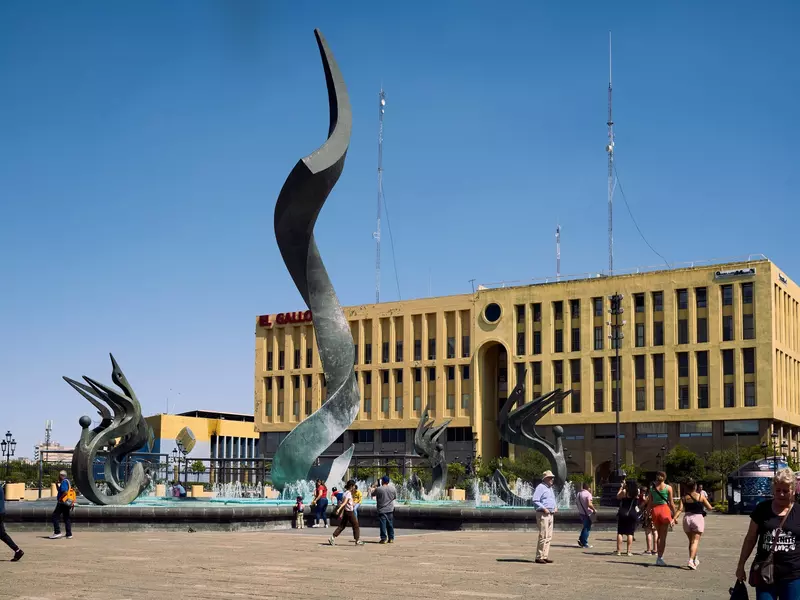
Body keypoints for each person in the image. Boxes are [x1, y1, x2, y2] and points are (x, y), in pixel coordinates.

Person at [736, 467, 800, 599]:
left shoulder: (799, 512)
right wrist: (741, 564)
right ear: (773, 489)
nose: (781, 494)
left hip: (793, 574)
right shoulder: (762, 509)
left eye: (786, 491)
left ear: (793, 490)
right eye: (778, 490)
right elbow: (750, 538)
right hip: (764, 571)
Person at [673, 479, 713, 570]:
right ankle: (691, 560)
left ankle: (694, 559)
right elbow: (710, 507)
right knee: (695, 541)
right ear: (695, 487)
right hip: (697, 519)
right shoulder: (700, 496)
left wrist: (674, 518)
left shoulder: (683, 498)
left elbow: (679, 509)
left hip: (687, 519)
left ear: (686, 487)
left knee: (691, 541)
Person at [644, 471, 675, 566]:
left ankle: (658, 555)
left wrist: (646, 515)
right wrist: (674, 514)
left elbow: (649, 504)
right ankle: (660, 557)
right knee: (663, 536)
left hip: (655, 511)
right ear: (665, 478)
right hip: (665, 510)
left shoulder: (652, 489)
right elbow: (671, 502)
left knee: (658, 534)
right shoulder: (668, 488)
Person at [532, 470, 557, 564]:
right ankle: (539, 556)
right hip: (543, 514)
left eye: (552, 478)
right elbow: (535, 500)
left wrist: (555, 506)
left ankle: (545, 555)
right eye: (550, 478)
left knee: (549, 536)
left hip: (551, 514)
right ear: (545, 479)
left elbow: (552, 499)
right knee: (543, 535)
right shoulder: (541, 487)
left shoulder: (550, 488)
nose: (552, 479)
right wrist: (543, 508)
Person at [328, 480, 364, 546]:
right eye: (353, 486)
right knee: (356, 525)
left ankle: (332, 537)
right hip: (350, 512)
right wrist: (339, 509)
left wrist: (352, 503)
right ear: (351, 486)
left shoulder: (345, 493)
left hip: (346, 512)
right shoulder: (348, 493)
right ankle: (357, 540)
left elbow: (345, 502)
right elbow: (344, 503)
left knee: (342, 526)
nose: (354, 487)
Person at [0, 481, 23, 561]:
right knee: (2, 534)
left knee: (2, 534)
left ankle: (17, 550)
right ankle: (17, 551)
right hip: (1, 512)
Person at [616, 480, 640, 556]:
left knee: (620, 532)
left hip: (623, 512)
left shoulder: (624, 491)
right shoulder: (637, 491)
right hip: (632, 513)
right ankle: (628, 551)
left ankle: (618, 551)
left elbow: (618, 496)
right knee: (630, 533)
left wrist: (621, 487)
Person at [372, 475, 397, 544]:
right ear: (388, 481)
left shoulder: (379, 489)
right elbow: (394, 497)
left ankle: (383, 539)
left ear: (382, 481)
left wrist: (374, 486)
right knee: (390, 524)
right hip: (390, 509)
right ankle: (391, 538)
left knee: (383, 524)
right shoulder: (393, 489)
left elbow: (372, 494)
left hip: (381, 509)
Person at [49, 471, 73, 540]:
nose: (58, 477)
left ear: (61, 476)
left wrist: (60, 498)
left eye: (59, 476)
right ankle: (69, 534)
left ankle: (57, 532)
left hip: (62, 502)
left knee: (54, 516)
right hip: (67, 502)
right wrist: (57, 484)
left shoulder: (64, 482)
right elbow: (60, 490)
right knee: (66, 517)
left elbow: (65, 492)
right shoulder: (67, 481)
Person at [576, 482, 595, 549]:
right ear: (588, 488)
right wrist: (594, 509)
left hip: (581, 513)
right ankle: (585, 543)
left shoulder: (578, 494)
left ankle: (581, 539)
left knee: (585, 526)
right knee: (587, 528)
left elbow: (576, 503)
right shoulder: (588, 494)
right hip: (588, 514)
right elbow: (589, 504)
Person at [641, 484, 659, 556]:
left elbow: (643, 504)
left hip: (649, 514)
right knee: (655, 532)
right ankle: (655, 549)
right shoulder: (658, 496)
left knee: (648, 532)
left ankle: (649, 550)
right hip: (657, 513)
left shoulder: (649, 496)